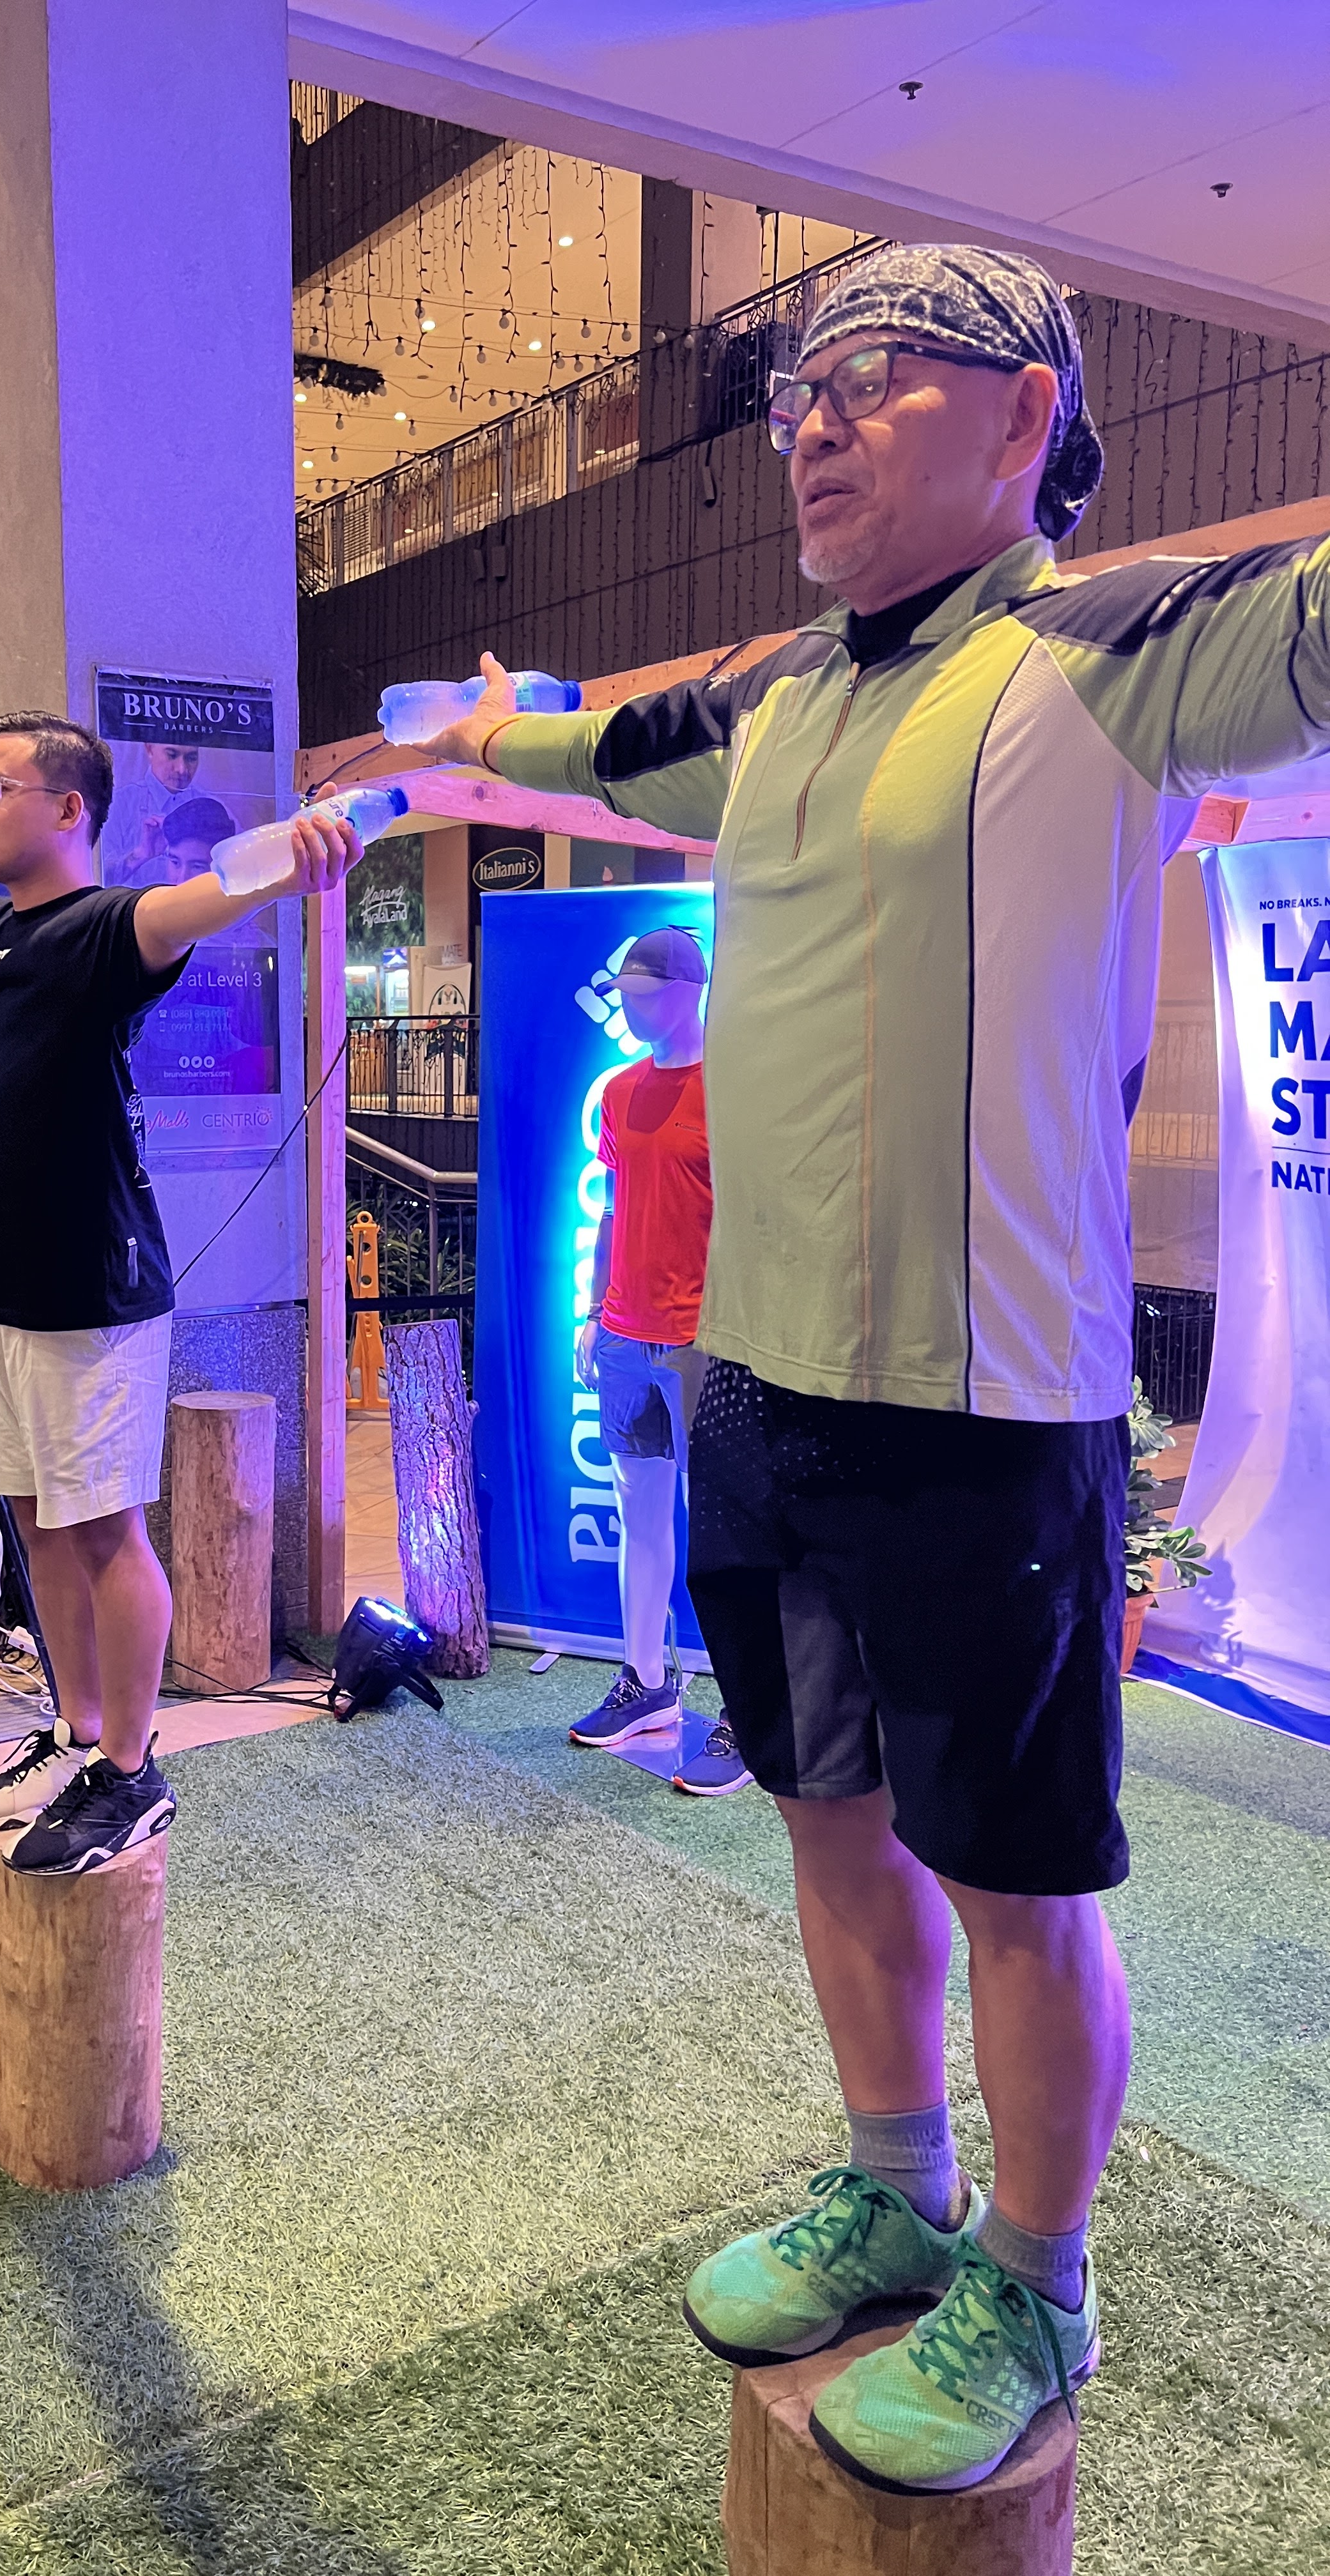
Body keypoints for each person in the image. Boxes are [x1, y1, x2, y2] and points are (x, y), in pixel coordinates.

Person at [417, 241, 1330, 2494]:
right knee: (825, 1813)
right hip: (755, 1386)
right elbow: (593, 751)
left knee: (1014, 1880)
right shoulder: (779, 697)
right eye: (794, 392)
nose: (814, 422)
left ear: (1027, 418)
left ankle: (1038, 2271)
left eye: (882, 375)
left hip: (986, 1410)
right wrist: (484, 729)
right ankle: (897, 2186)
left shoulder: (1116, 651)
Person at [0, 711, 359, 1876]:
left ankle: (133, 1771)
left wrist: (292, 856)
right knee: (36, 1520)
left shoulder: (104, 928)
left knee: (103, 1532)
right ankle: (76, 1731)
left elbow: (206, 895)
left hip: (92, 1296)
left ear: (68, 809)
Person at [568, 926, 750, 1797]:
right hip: (626, 1334)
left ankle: (749, 1710)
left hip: (704, 1340)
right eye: (628, 997)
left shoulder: (735, 1092)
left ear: (689, 991)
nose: (634, 1010)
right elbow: (613, 1206)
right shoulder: (621, 1091)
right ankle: (646, 1682)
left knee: (723, 1528)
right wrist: (593, 1313)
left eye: (646, 995)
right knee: (640, 1512)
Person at [104, 740, 205, 883]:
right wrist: (141, 855)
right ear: (150, 749)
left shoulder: (212, 807)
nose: (182, 769)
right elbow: (98, 880)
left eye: (191, 758)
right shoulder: (118, 805)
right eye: (172, 755)